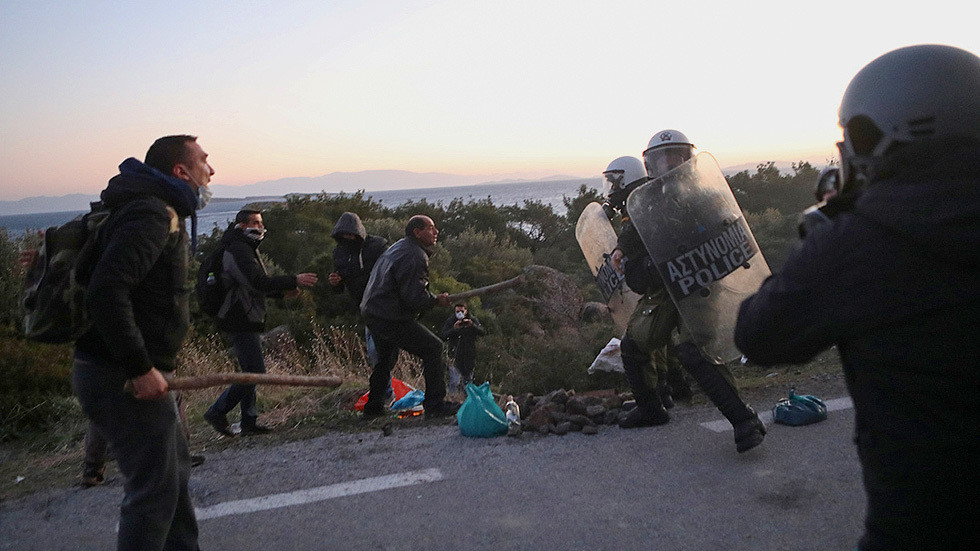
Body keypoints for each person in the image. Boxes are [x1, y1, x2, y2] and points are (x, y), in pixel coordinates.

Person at [735, 44, 980, 550]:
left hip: (925, 515)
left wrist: (825, 234)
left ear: (885, 132)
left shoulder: (858, 241)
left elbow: (759, 337)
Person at [71, 134, 211, 550]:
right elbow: (106, 292)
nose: (212, 169)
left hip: (122, 371)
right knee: (153, 494)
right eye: (204, 160)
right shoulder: (152, 213)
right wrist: (138, 367)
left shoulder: (141, 206)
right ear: (180, 171)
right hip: (122, 377)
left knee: (173, 483)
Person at [623, 130, 766, 452]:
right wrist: (648, 267)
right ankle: (651, 409)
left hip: (700, 284)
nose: (671, 166)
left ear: (689, 159)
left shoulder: (708, 198)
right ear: (651, 165)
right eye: (663, 159)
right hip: (663, 289)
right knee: (634, 344)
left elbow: (736, 240)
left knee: (695, 350)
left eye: (677, 158)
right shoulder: (642, 210)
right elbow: (633, 271)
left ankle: (743, 420)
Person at [203, 209, 318, 436]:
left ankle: (249, 421)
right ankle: (217, 411)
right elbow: (256, 282)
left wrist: (280, 294)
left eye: (261, 222)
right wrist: (293, 280)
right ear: (241, 226)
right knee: (255, 370)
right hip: (238, 317)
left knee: (250, 371)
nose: (260, 227)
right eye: (255, 222)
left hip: (244, 315)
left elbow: (250, 286)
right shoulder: (237, 249)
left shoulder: (244, 247)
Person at [601, 155, 691, 429]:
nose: (612, 190)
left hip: (661, 284)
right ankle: (668, 391)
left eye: (613, 183)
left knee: (635, 343)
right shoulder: (649, 194)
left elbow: (633, 231)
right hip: (669, 280)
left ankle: (652, 406)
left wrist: (620, 249)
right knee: (662, 339)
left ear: (625, 178)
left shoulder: (639, 200)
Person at [359, 215, 457, 418]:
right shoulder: (414, 255)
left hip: (373, 312)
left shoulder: (399, 247)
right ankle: (435, 405)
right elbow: (415, 298)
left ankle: (373, 407)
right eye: (431, 228)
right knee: (433, 347)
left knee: (385, 359)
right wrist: (436, 300)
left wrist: (431, 298)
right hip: (389, 316)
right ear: (417, 232)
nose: (436, 231)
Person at [327, 212, 392, 397]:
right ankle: (384, 392)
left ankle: (384, 392)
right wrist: (336, 281)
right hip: (365, 308)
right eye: (344, 235)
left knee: (383, 351)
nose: (348, 238)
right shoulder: (339, 252)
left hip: (384, 303)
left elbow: (387, 272)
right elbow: (339, 283)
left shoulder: (377, 246)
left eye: (351, 235)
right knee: (375, 353)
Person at [440, 302, 486, 392]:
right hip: (454, 355)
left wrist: (472, 325)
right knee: (454, 382)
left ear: (466, 311)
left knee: (468, 382)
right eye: (457, 311)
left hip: (469, 355)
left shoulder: (472, 320)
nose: (459, 313)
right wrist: (454, 329)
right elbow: (444, 336)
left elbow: (483, 332)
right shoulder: (450, 321)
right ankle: (453, 401)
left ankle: (467, 401)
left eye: (461, 311)